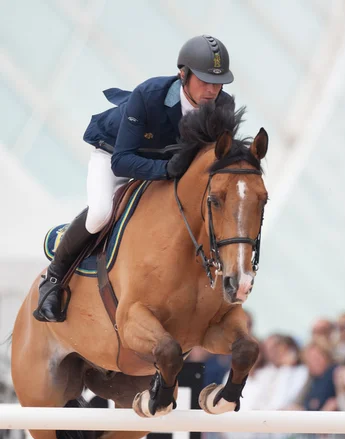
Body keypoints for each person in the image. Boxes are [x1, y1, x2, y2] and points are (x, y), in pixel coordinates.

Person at [33, 35, 234, 323]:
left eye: (218, 83)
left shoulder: (222, 106)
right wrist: (166, 170)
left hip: (168, 168)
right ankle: (53, 280)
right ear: (183, 74)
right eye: (204, 81)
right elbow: (122, 161)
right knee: (101, 214)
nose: (212, 90)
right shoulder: (149, 94)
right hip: (116, 156)